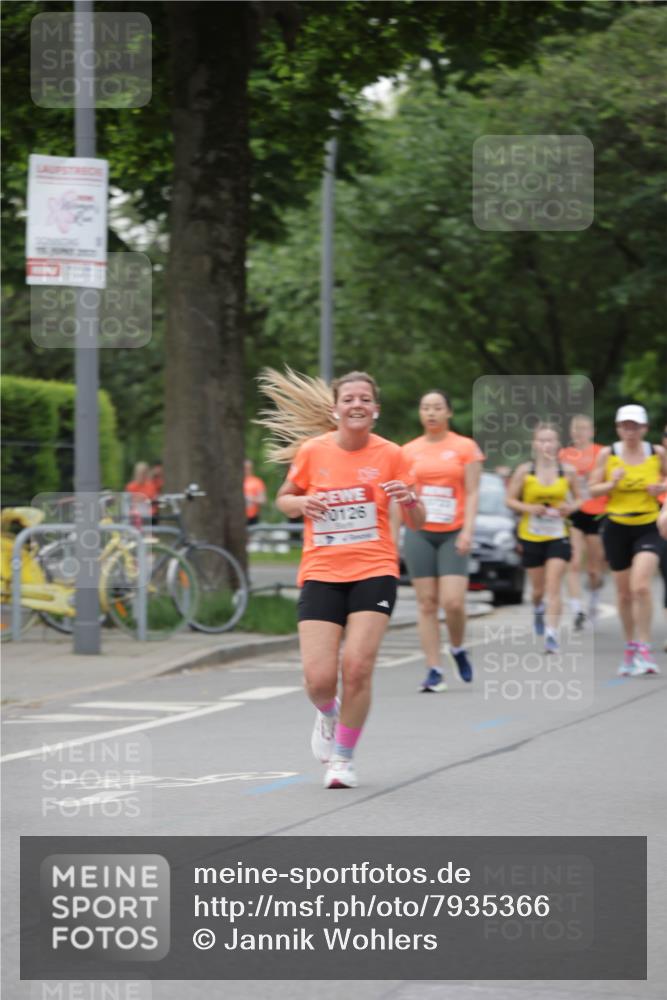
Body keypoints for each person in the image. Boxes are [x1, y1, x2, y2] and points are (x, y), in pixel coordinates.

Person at [259, 368, 424, 789]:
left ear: (376, 410)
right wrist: (302, 501)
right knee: (319, 679)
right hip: (322, 570)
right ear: (335, 409)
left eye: (364, 399)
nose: (357, 404)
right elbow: (283, 500)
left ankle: (343, 760)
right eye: (349, 398)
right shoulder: (313, 452)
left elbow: (419, 521)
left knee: (358, 667)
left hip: (375, 569)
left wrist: (411, 501)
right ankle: (328, 714)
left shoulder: (394, 455)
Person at [401, 390, 484, 691]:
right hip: (419, 531)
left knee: (452, 602)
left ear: (448, 412)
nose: (431, 413)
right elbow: (401, 495)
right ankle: (433, 669)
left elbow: (473, 490)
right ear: (420, 414)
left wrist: (468, 531)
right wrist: (395, 533)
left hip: (454, 530)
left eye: (437, 408)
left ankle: (458, 648)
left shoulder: (465, 447)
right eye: (425, 408)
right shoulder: (408, 451)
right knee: (426, 603)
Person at [589, 405, 667, 675]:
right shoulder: (607, 454)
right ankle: (631, 645)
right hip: (616, 526)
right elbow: (592, 488)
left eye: (635, 426)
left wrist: (662, 487)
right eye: (625, 426)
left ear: (644, 428)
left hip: (648, 524)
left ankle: (645, 648)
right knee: (623, 594)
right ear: (618, 428)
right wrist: (611, 483)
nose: (630, 431)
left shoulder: (656, 453)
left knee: (641, 587)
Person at [506, 423, 581, 654]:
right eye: (542, 440)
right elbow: (509, 500)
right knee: (538, 590)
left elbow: (579, 499)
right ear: (535, 444)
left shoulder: (567, 471)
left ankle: (551, 634)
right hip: (531, 535)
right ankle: (538, 608)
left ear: (558, 444)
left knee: (553, 585)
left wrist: (570, 508)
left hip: (558, 534)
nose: (546, 444)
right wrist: (529, 507)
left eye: (551, 440)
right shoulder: (524, 471)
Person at [559, 415, 607, 629]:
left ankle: (594, 601)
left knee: (595, 568)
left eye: (584, 428)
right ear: (570, 432)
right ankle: (577, 608)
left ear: (592, 430)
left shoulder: (602, 452)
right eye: (576, 429)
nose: (580, 432)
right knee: (574, 560)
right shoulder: (564, 455)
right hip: (574, 512)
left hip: (598, 511)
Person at [125, 461, 157, 525]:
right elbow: (129, 501)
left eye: (144, 473)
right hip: (135, 515)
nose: (142, 475)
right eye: (140, 473)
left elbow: (153, 500)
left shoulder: (151, 486)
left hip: (149, 515)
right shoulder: (131, 486)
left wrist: (143, 499)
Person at [243, 459, 267, 526]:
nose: (246, 470)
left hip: (252, 517)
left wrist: (251, 499)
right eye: (245, 468)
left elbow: (263, 500)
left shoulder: (257, 482)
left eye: (248, 468)